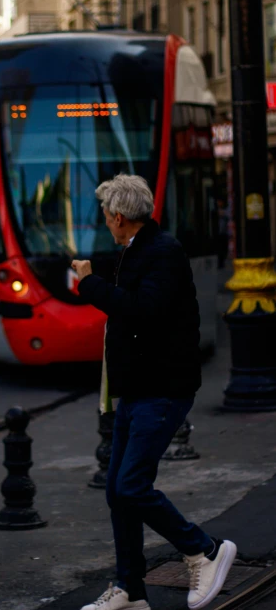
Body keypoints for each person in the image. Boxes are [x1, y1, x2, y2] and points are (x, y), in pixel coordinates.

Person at [71, 174, 236, 610]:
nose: (105, 223)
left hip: (162, 389)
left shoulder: (162, 252)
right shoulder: (138, 250)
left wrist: (89, 285)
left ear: (120, 217)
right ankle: (131, 590)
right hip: (138, 389)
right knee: (116, 490)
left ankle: (205, 549)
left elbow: (143, 310)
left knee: (130, 486)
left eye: (107, 216)